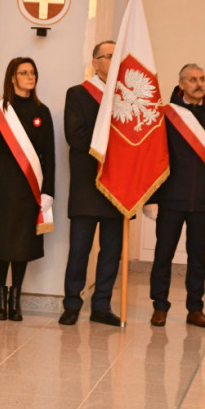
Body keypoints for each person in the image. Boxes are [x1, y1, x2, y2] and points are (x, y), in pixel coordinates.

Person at [142, 63, 205, 329]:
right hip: (171, 201)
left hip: (203, 203)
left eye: (202, 79)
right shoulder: (165, 116)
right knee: (163, 255)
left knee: (198, 258)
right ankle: (159, 307)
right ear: (181, 84)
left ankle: (195, 309)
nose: (199, 84)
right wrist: (152, 197)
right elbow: (154, 159)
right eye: (192, 79)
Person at [0, 57, 54, 321]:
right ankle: (0, 297)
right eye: (24, 73)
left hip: (29, 190)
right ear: (13, 78)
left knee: (22, 244)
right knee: (1, 243)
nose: (30, 77)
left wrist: (48, 191)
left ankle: (15, 297)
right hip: (1, 189)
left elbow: (50, 156)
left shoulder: (42, 112)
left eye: (33, 72)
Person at [59, 41, 125, 327]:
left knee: (111, 252)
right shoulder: (78, 94)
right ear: (95, 62)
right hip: (88, 184)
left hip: (118, 187)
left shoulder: (127, 97)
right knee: (79, 250)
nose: (113, 61)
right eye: (108, 56)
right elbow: (75, 136)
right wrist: (112, 148)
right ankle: (72, 304)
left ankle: (102, 305)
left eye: (117, 56)